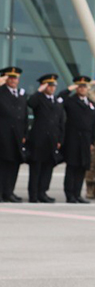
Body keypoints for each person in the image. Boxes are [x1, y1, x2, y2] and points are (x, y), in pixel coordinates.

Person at [25, 74, 66, 203]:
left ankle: (43, 192)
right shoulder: (39, 98)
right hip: (39, 139)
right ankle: (34, 194)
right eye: (49, 85)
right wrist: (39, 91)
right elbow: (30, 103)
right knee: (36, 168)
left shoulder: (56, 101)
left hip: (52, 140)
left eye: (54, 85)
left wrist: (60, 139)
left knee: (47, 168)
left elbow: (61, 121)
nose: (52, 88)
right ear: (44, 86)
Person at [61, 75, 95, 204]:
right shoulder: (70, 101)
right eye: (80, 86)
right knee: (72, 167)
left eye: (85, 86)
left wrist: (93, 141)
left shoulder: (92, 104)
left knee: (82, 168)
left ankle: (77, 194)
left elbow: (94, 125)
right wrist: (69, 89)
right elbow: (60, 99)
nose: (82, 89)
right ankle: (70, 194)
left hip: (86, 141)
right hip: (73, 139)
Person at [0, 66, 27, 202]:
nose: (13, 80)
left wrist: (24, 135)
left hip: (16, 136)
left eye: (15, 78)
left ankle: (9, 192)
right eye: (10, 77)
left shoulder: (21, 94)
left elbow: (24, 116)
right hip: (2, 136)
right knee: (2, 165)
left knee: (13, 165)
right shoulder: (1, 91)